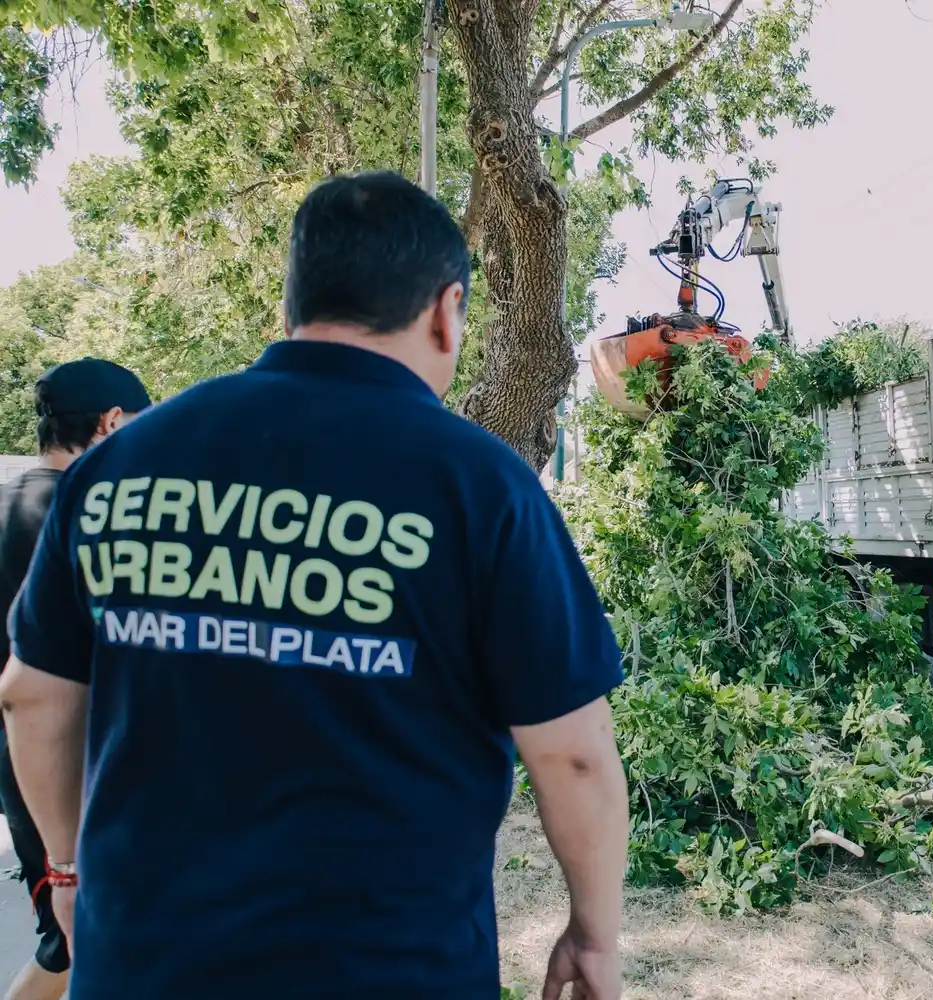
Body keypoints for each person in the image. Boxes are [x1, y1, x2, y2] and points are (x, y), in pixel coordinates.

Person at [0, 171, 629, 1000]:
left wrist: (70, 872)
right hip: (388, 969)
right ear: (446, 312)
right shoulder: (482, 488)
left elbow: (30, 699)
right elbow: (575, 757)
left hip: (146, 963)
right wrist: (593, 934)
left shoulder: (119, 465)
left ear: (289, 309)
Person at [0, 358, 151, 1000]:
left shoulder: (14, 498)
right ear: (110, 423)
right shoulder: (76, 516)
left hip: (20, 759)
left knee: (75, 947)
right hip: (60, 763)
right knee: (78, 946)